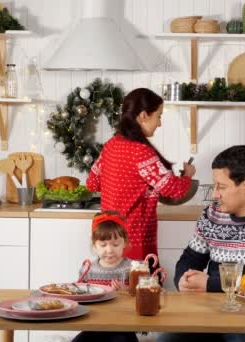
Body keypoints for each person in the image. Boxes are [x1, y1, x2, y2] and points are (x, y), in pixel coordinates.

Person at [158, 145, 245, 342]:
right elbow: (188, 260)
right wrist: (183, 280)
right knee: (166, 340)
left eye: (221, 187)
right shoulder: (212, 214)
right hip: (210, 312)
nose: (215, 194)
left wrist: (207, 283)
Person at [86, 88, 196, 261]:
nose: (159, 123)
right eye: (158, 116)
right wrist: (188, 176)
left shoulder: (111, 145)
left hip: (109, 238)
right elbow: (174, 190)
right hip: (134, 239)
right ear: (144, 115)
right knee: (141, 285)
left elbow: (92, 183)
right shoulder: (141, 152)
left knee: (112, 285)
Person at [72, 211, 137, 342]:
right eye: (103, 245)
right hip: (93, 326)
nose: (109, 250)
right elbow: (79, 299)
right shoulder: (88, 268)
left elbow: (142, 299)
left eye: (115, 244)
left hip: (123, 328)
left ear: (125, 242)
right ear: (95, 245)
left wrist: (127, 292)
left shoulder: (133, 268)